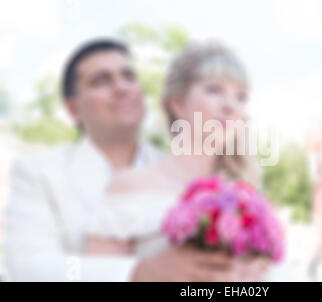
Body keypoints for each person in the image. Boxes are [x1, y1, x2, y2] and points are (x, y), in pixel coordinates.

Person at [4, 39, 239, 282]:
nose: (121, 87)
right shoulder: (38, 173)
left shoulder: (186, 175)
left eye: (129, 76)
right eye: (101, 81)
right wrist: (135, 273)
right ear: (74, 110)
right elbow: (29, 268)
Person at [85, 41, 275, 282]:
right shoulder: (128, 187)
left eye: (241, 97)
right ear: (178, 104)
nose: (230, 106)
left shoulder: (247, 199)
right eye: (214, 90)